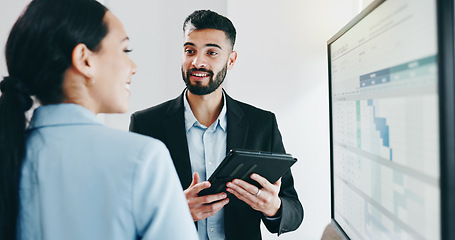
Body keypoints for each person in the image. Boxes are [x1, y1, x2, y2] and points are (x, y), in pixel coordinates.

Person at [0, 0, 198, 239]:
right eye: (125, 50)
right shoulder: (142, 158)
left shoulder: (10, 153)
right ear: (85, 60)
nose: (133, 67)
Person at [129, 9, 303, 240]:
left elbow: (294, 210)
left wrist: (273, 207)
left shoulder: (262, 124)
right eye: (190, 51)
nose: (197, 62)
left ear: (231, 60)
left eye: (211, 52)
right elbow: (129, 211)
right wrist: (174, 211)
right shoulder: (145, 124)